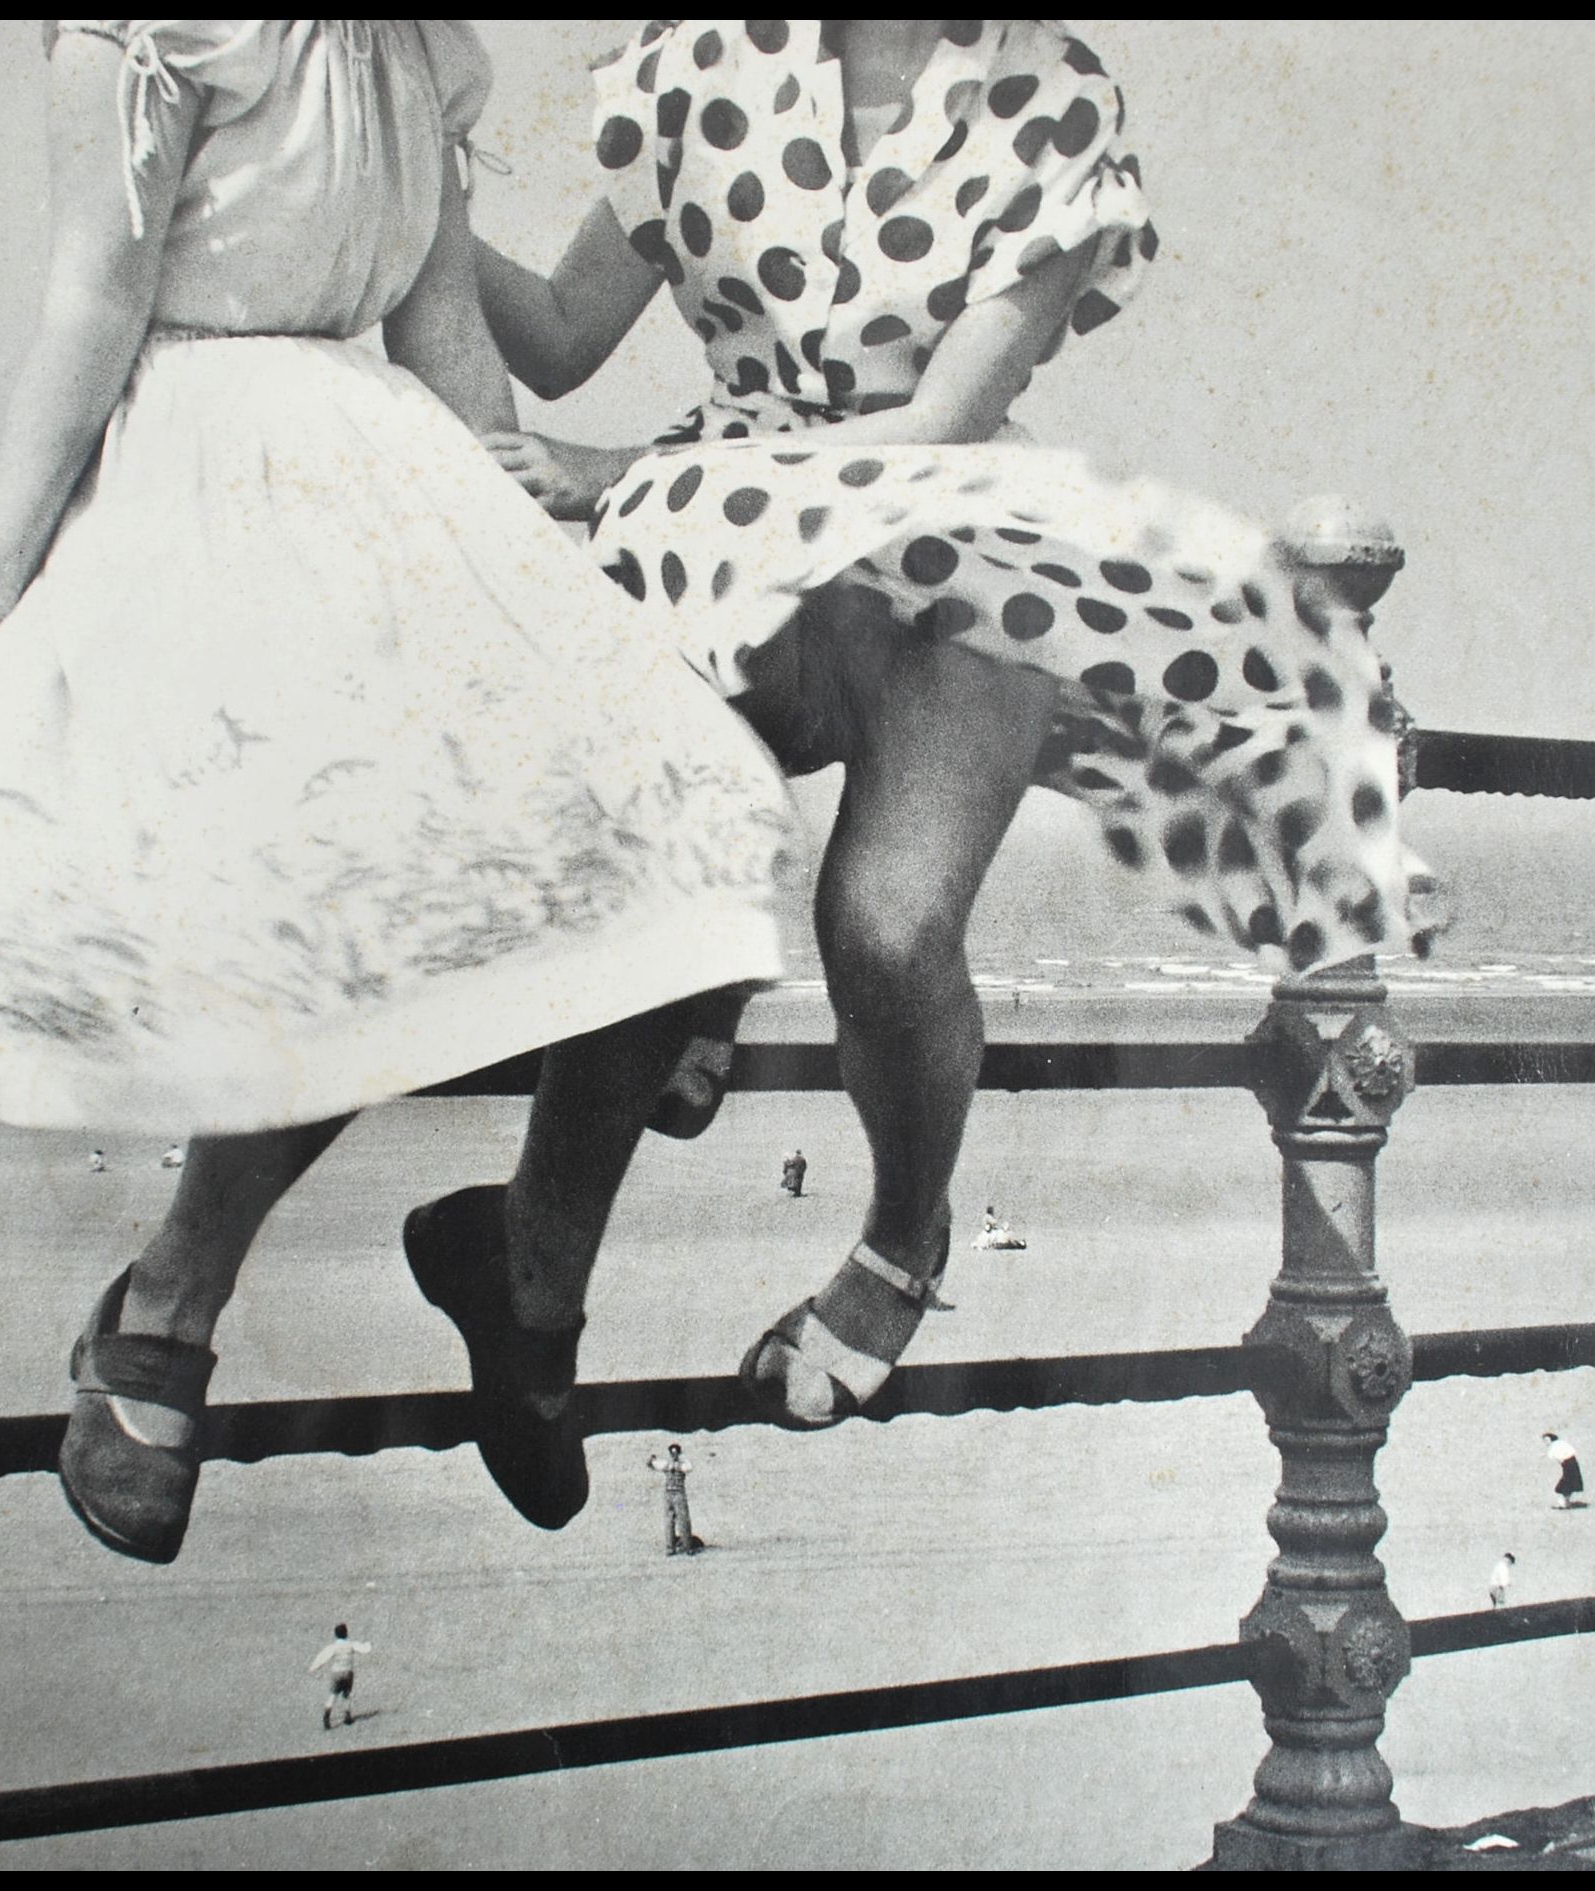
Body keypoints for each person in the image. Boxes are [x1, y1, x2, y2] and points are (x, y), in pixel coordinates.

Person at [0, 22, 798, 1563]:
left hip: (389, 476)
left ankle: (525, 1267)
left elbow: (441, 324)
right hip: (203, 470)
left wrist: (535, 563)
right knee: (365, 853)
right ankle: (170, 1296)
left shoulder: (406, 51)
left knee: (696, 797)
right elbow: (93, 297)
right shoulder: (144, 36)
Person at [474, 20, 1437, 1430]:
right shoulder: (695, 60)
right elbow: (559, 339)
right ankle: (562, 1235)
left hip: (949, 550)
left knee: (885, 926)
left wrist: (617, 472)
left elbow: (927, 428)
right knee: (648, 852)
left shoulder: (1052, 98)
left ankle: (900, 1235)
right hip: (726, 540)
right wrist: (416, 202)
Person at [308, 1622, 374, 1729]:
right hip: (348, 1672)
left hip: (336, 1673)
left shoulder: (333, 1647)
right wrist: (369, 1644)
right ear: (346, 1633)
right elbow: (364, 1649)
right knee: (346, 1694)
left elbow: (323, 1657)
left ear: (336, 1635)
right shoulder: (351, 1644)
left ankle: (327, 1716)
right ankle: (347, 1716)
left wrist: (313, 1667)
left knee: (333, 1694)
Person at [647, 1442, 699, 1555]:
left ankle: (671, 1548)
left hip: (670, 1494)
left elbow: (653, 1465)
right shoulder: (680, 1465)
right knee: (681, 1520)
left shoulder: (667, 1464)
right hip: (678, 1494)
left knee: (671, 1520)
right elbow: (689, 1467)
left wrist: (652, 1460)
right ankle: (687, 1547)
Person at [1544, 1432, 1587, 1509]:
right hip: (1573, 1463)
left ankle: (1566, 1502)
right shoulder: (1561, 1443)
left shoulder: (1554, 1446)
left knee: (1566, 1483)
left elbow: (1554, 1457)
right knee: (1569, 1482)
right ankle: (1567, 1501)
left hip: (1567, 1464)